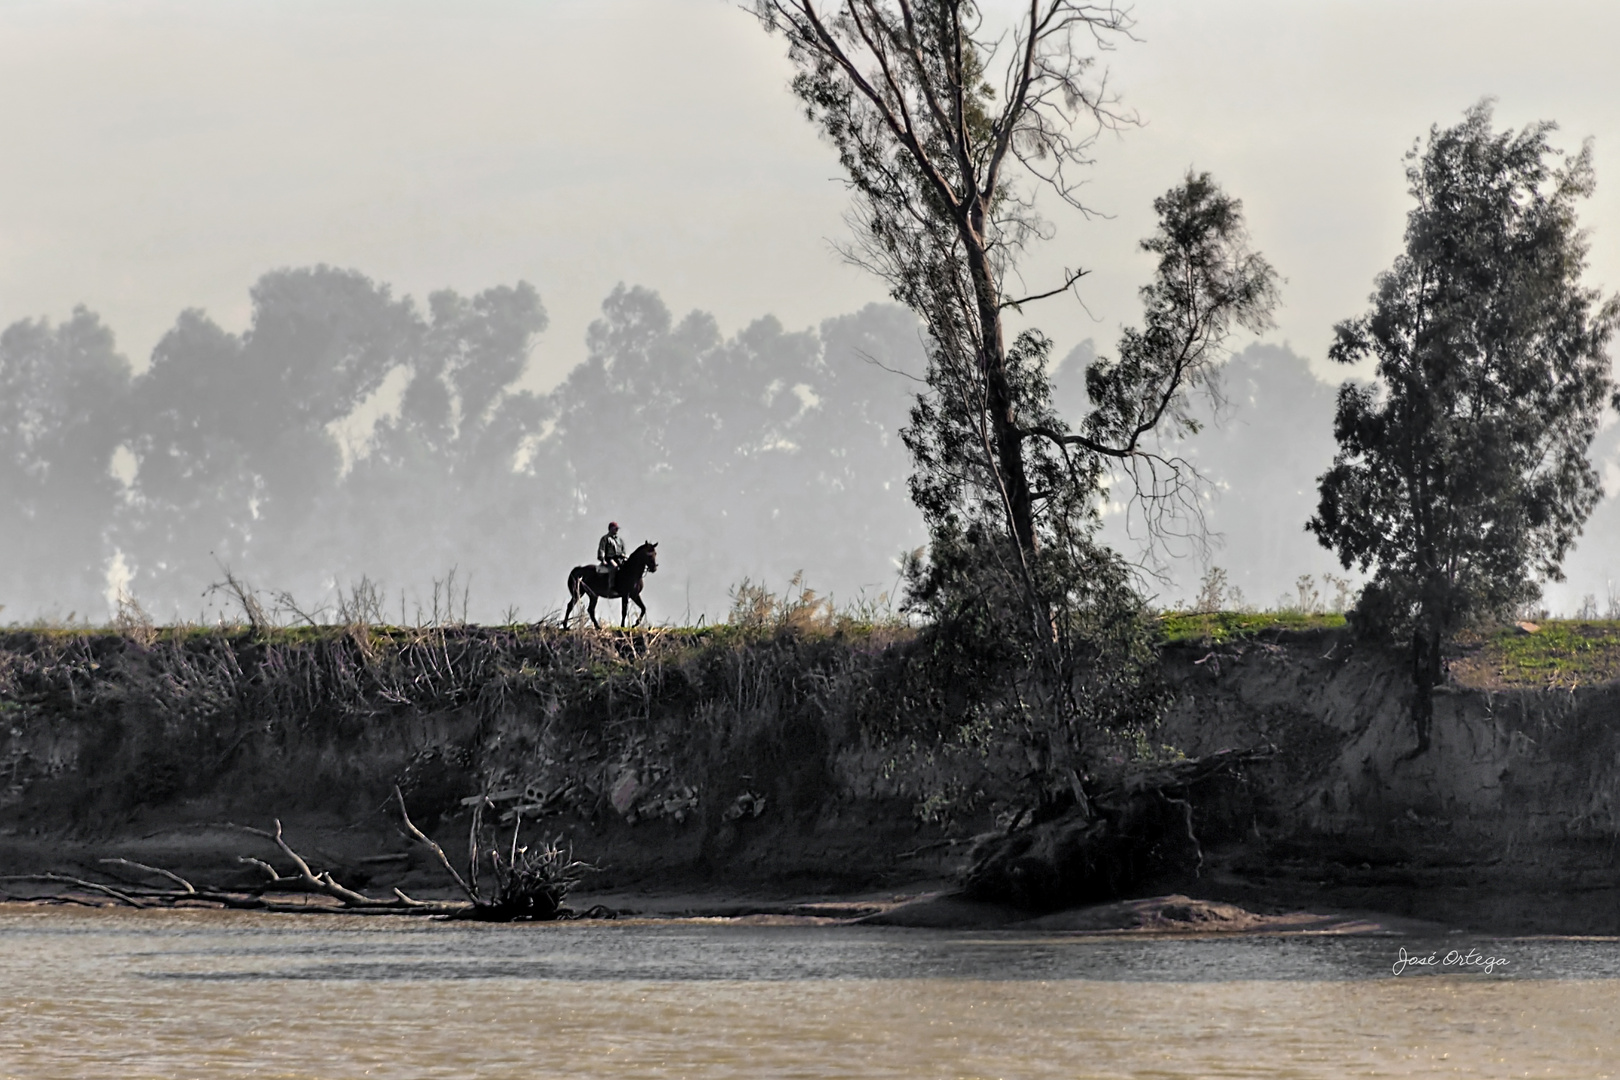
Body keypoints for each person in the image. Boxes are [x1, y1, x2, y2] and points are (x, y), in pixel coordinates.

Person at [597, 521, 626, 591]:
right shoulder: (605, 538)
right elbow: (602, 549)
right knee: (614, 567)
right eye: (615, 528)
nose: (617, 530)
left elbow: (623, 549)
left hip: (620, 558)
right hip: (610, 558)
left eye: (617, 528)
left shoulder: (620, 540)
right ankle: (611, 586)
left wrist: (623, 555)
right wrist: (602, 559)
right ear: (610, 529)